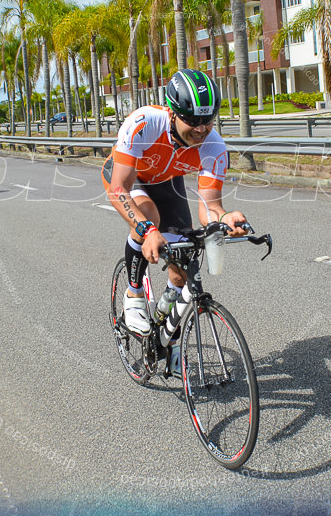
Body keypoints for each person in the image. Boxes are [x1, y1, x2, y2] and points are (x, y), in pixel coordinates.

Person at [101, 68, 248, 336]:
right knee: (149, 217)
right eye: (192, 120)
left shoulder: (214, 147)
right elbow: (118, 188)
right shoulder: (144, 123)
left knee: (180, 272)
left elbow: (210, 207)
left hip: (167, 183)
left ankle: (166, 322)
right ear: (172, 112)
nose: (201, 129)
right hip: (129, 179)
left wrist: (224, 218)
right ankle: (133, 294)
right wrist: (148, 231)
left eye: (208, 120)